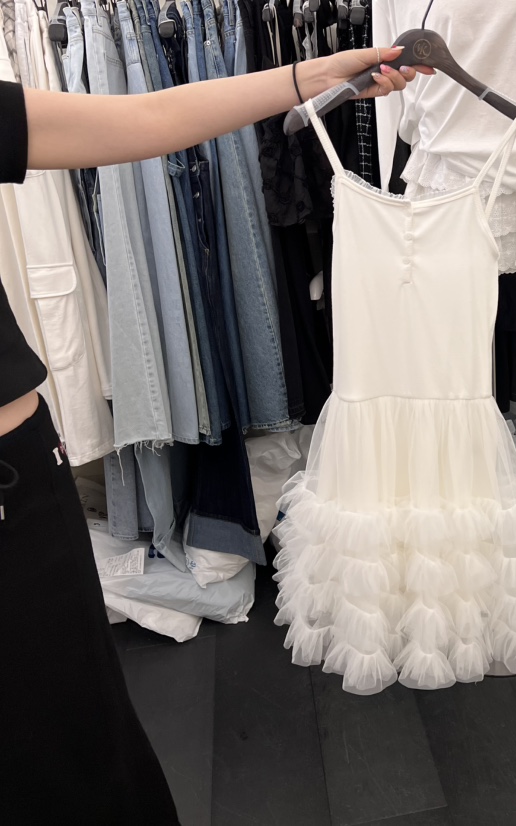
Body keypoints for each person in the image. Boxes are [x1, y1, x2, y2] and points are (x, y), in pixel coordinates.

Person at [0, 46, 427, 824]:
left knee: (75, 745)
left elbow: (146, 118)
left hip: (16, 486)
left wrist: (310, 77)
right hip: (17, 484)